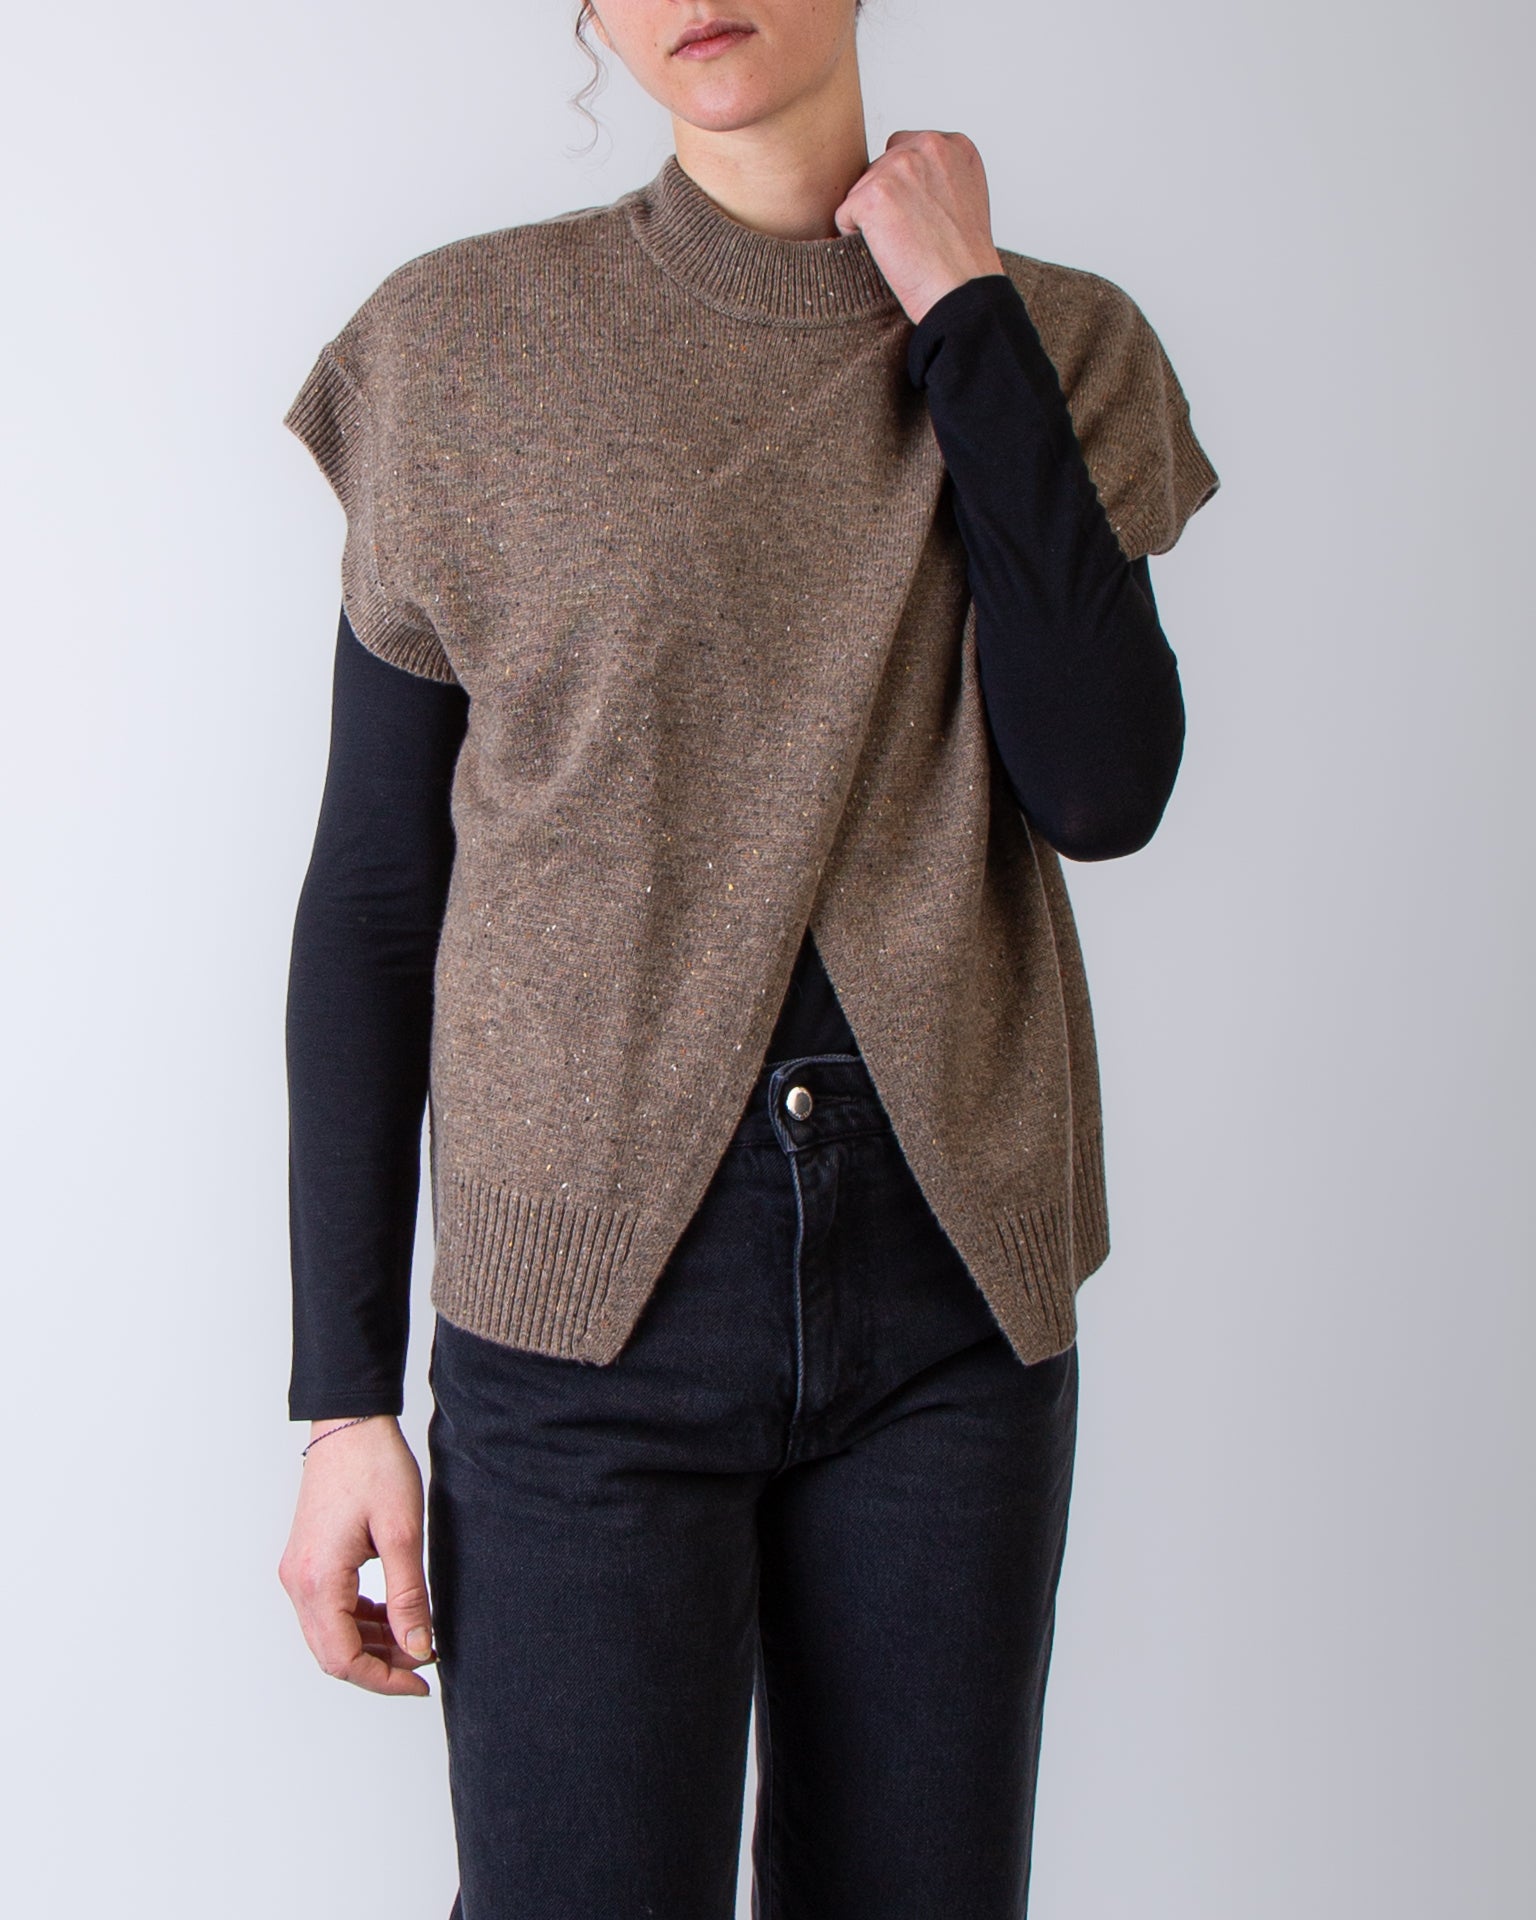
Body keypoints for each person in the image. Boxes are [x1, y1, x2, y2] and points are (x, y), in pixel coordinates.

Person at [277, 4, 1218, 1914]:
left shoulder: (1059, 341)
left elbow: (1104, 787)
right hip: (581, 1316)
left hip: (953, 1295)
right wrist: (343, 1396)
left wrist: (962, 311)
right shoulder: (461, 344)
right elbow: (376, 888)